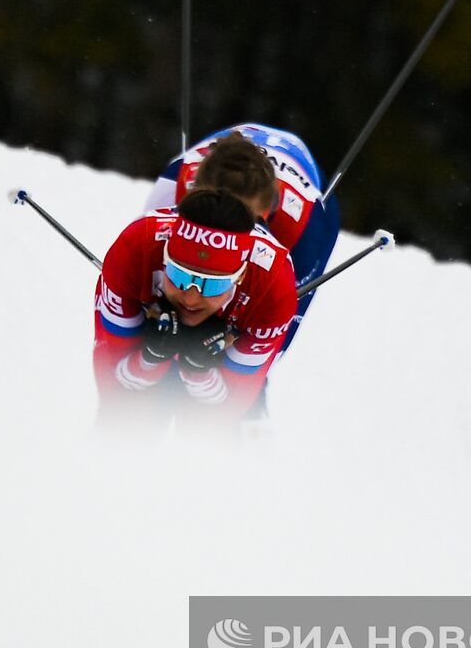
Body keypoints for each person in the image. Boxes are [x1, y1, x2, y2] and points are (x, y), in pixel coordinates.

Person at [92, 188, 298, 425]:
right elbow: (114, 386)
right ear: (164, 260)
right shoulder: (133, 250)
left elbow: (230, 408)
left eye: (212, 285)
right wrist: (151, 358)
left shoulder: (274, 289)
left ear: (239, 277)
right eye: (179, 275)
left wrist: (197, 372)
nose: (190, 298)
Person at [145, 124, 340, 352]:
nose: (221, 231)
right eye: (207, 214)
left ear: (265, 213)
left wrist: (234, 337)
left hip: (310, 205)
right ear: (195, 194)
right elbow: (137, 279)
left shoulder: (305, 230)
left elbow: (272, 339)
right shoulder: (175, 185)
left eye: (242, 225)